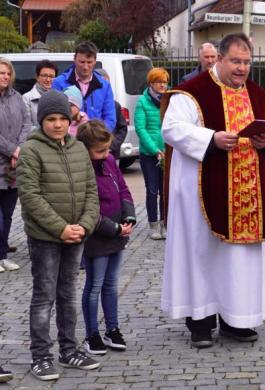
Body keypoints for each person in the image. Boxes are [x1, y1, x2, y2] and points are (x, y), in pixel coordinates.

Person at [160, 33, 265, 348]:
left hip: (248, 194)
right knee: (202, 254)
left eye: (246, 62)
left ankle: (237, 319)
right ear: (219, 59)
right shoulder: (192, 92)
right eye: (235, 61)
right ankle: (200, 322)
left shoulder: (258, 95)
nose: (242, 68)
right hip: (202, 191)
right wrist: (211, 139)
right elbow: (172, 128)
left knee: (239, 259)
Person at [18, 90, 100, 381]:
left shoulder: (78, 148)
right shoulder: (31, 150)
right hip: (46, 237)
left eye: (62, 119)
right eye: (50, 119)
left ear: (70, 120)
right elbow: (30, 196)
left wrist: (85, 225)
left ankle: (70, 349)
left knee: (68, 295)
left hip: (76, 235)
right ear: (42, 121)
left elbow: (92, 191)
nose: (57, 124)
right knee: (44, 296)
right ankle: (40, 356)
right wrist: (60, 228)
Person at [76, 120, 135, 356]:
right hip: (98, 236)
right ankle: (92, 333)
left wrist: (129, 215)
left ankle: (112, 328)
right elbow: (88, 209)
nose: (106, 154)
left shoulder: (110, 161)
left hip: (118, 233)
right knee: (94, 285)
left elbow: (122, 188)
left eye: (107, 149)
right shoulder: (83, 169)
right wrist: (114, 228)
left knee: (111, 284)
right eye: (100, 151)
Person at [0, 58, 31, 273]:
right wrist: (12, 150)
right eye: (1, 73)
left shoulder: (17, 97)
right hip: (3, 160)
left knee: (8, 213)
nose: (5, 76)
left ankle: (2, 256)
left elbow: (26, 122)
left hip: (13, 166)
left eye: (7, 73)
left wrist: (19, 149)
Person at [52, 41, 117, 131]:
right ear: (74, 60)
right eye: (82, 62)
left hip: (95, 140)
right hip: (68, 140)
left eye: (89, 62)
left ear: (95, 61)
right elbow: (53, 114)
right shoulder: (59, 83)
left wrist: (98, 136)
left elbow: (110, 118)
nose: (85, 67)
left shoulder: (104, 85)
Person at [135, 68, 168, 240]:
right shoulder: (142, 102)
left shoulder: (169, 100)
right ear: (151, 84)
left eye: (164, 81)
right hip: (149, 154)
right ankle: (153, 225)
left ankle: (164, 223)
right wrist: (155, 150)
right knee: (152, 190)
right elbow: (141, 129)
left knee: (165, 190)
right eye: (158, 82)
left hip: (167, 152)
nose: (162, 84)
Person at [95, 68, 128, 160]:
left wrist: (112, 145)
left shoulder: (115, 105)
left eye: (107, 84)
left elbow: (122, 128)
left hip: (112, 153)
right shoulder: (88, 104)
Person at [22, 60, 58, 128]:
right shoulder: (26, 98)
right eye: (44, 75)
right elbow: (26, 125)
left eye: (51, 76)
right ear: (37, 77)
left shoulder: (60, 97)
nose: (48, 79)